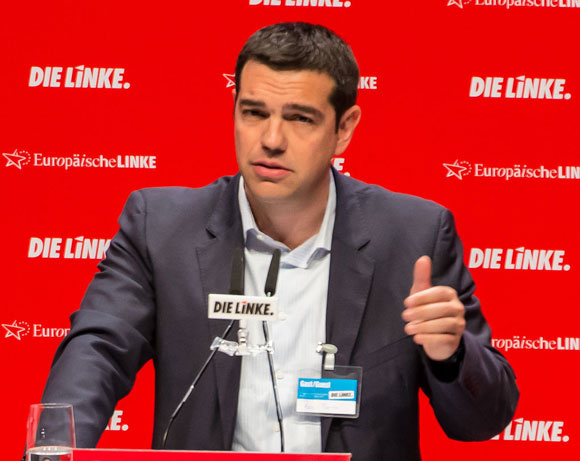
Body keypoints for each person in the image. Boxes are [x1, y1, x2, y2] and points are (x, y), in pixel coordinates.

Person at [41, 22, 518, 460]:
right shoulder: (161, 227)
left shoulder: (414, 235)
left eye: (300, 119)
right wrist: (52, 447)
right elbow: (98, 350)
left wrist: (451, 354)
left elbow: (484, 420)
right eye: (254, 112)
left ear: (344, 128)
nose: (270, 139)